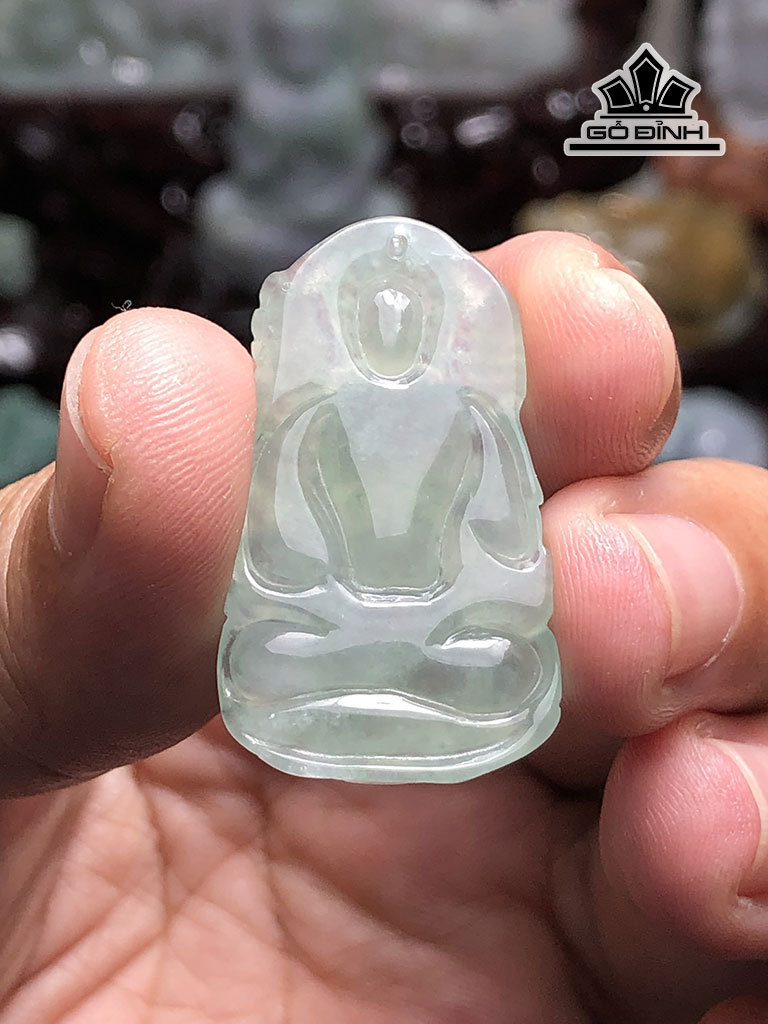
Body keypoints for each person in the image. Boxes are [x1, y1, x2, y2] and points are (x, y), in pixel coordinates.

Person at [0, 230, 766, 1024]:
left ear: (430, 328)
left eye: (408, 321)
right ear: (356, 328)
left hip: (445, 634)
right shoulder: (310, 423)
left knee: (524, 653)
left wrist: (482, 594)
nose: (392, 337)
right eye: (376, 321)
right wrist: (339, 599)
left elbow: (510, 543)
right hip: (335, 630)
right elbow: (277, 556)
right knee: (271, 654)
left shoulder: (473, 420)